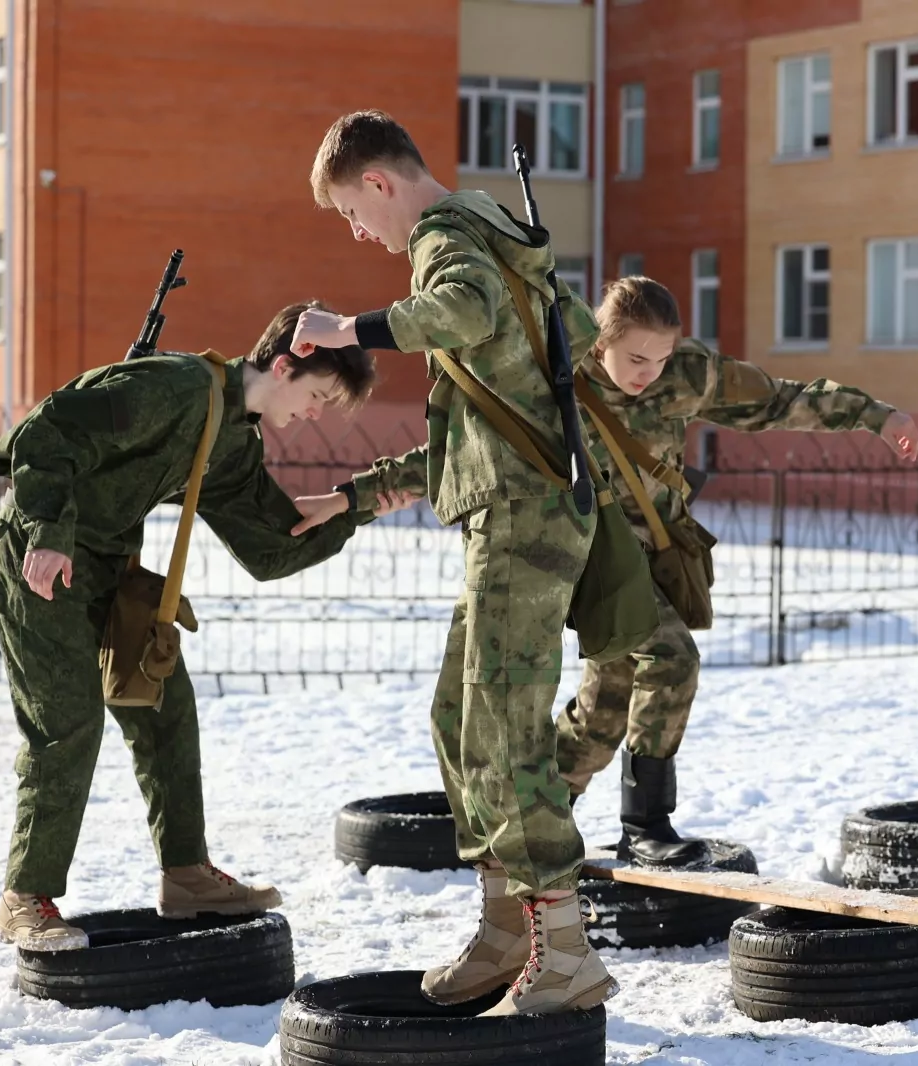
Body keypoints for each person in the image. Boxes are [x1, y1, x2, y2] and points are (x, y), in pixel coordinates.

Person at [289, 109, 611, 1016]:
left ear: (380, 183)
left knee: (506, 730)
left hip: (522, 521)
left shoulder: (443, 237)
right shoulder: (495, 230)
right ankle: (510, 926)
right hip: (512, 508)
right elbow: (492, 417)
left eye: (355, 213)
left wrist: (350, 327)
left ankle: (566, 949)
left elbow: (461, 315)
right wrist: (354, 497)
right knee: (459, 718)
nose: (361, 233)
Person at [0, 302, 378, 950]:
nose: (314, 416)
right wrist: (49, 532)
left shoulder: (232, 439)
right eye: (317, 396)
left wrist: (363, 502)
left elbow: (271, 547)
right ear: (285, 364)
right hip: (38, 553)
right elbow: (47, 434)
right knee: (68, 722)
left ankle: (187, 874)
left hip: (108, 569)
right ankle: (25, 897)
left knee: (164, 702)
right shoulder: (174, 387)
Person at [552, 276, 918, 865]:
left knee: (608, 700)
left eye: (662, 356)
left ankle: (539, 811)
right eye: (636, 357)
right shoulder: (559, 377)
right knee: (672, 660)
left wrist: (877, 416)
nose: (649, 371)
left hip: (654, 556)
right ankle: (644, 823)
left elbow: (777, 400)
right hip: (588, 561)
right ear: (601, 342)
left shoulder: (689, 375)